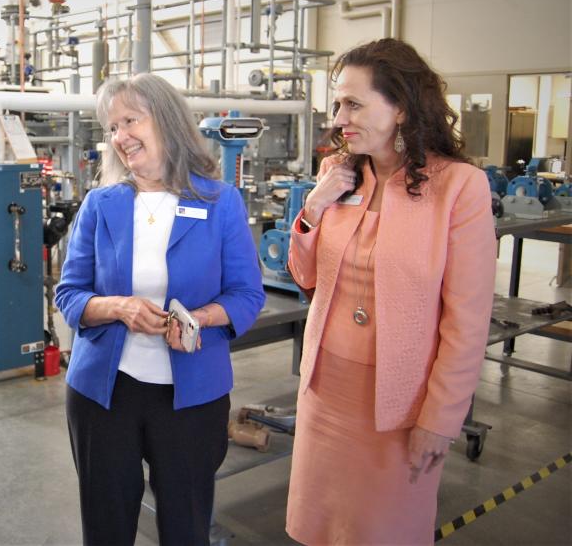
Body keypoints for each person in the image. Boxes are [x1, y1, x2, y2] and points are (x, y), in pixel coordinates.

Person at [285, 38, 496, 545]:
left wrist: (440, 421)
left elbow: (466, 322)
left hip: (400, 404)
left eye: (353, 104)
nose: (339, 118)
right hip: (326, 391)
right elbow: (304, 276)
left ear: (400, 107)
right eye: (337, 104)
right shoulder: (338, 176)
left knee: (383, 531)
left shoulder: (459, 188)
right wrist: (314, 206)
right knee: (319, 527)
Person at [55, 73, 266, 545]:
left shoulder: (219, 202)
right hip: (103, 395)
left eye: (131, 120)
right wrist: (117, 308)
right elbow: (69, 295)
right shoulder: (100, 205)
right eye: (112, 127)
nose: (120, 136)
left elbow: (247, 294)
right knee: (106, 526)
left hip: (191, 397)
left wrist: (200, 319)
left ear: (167, 122)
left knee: (186, 526)